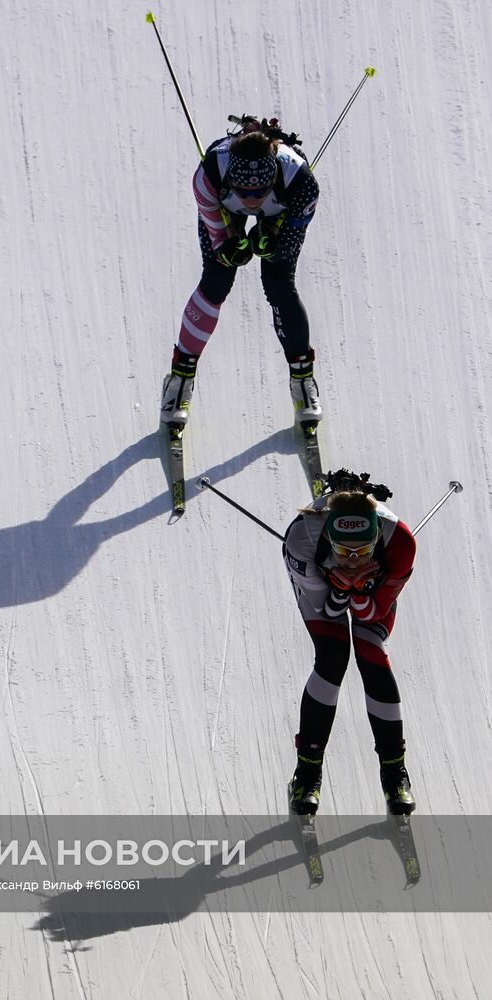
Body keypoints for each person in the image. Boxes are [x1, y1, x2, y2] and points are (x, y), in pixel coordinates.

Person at [160, 117, 321, 429]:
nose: (250, 200)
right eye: (243, 191)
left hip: (282, 212)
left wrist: (271, 244)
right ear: (230, 179)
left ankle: (303, 382)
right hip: (225, 210)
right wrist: (228, 246)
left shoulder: (302, 184)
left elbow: (286, 245)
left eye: (259, 191)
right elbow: (219, 240)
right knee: (217, 280)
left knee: (279, 286)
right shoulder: (208, 175)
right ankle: (179, 380)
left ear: (272, 177)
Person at [283, 482, 417, 815]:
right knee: (332, 657)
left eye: (362, 551)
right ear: (328, 538)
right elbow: (326, 608)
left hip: (366, 595)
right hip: (323, 590)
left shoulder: (400, 542)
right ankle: (307, 772)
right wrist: (345, 591)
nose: (354, 560)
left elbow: (372, 613)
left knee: (371, 652)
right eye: (344, 552)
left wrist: (357, 592)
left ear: (377, 539)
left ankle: (394, 773)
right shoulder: (302, 540)